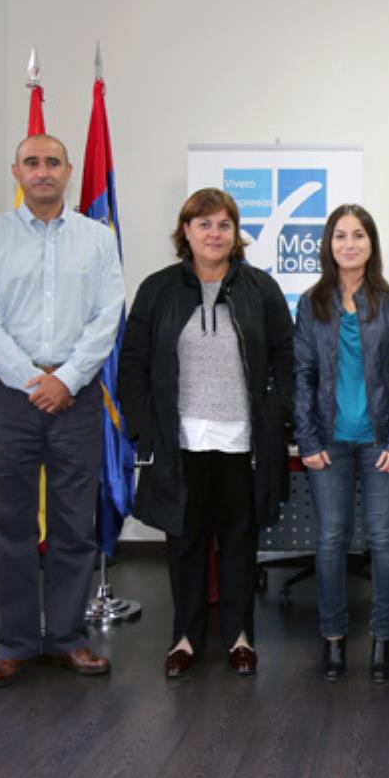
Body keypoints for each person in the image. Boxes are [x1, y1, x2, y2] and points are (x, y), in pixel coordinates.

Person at [0, 134, 125, 688]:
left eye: (52, 162)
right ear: (16, 172)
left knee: (73, 524)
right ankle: (14, 645)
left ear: (68, 171)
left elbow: (108, 317)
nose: (42, 171)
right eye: (31, 163)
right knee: (7, 522)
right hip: (11, 396)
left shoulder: (96, 241)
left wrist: (67, 379)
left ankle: (66, 639)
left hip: (75, 396)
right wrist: (36, 381)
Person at [118, 188, 293, 679]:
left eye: (223, 225)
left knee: (239, 541)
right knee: (186, 543)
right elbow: (132, 363)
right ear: (186, 232)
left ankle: (240, 638)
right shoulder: (157, 289)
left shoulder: (261, 288)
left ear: (236, 234)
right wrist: (141, 429)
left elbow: (286, 357)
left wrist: (278, 412)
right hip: (181, 443)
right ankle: (186, 638)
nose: (214, 233)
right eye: (204, 224)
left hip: (244, 441)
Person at [294, 204, 389, 683]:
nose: (349, 244)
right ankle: (333, 639)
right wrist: (306, 437)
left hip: (380, 441)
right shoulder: (311, 303)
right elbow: (301, 375)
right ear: (328, 244)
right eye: (340, 235)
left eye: (358, 235)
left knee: (385, 540)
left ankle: (384, 641)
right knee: (330, 540)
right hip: (327, 443)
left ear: (371, 244)